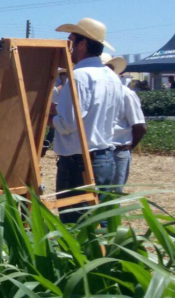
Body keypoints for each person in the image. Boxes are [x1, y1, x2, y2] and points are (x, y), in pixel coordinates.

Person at [51, 18, 121, 223]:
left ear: (82, 44)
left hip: (79, 164)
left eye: (71, 40)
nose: (68, 46)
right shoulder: (111, 76)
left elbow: (67, 124)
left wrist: (43, 118)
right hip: (105, 158)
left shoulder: (79, 76)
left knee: (76, 226)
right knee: (99, 224)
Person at [102, 53, 147, 194]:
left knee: (112, 198)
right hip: (100, 151)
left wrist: (127, 147)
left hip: (117, 151)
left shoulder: (126, 94)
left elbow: (140, 126)